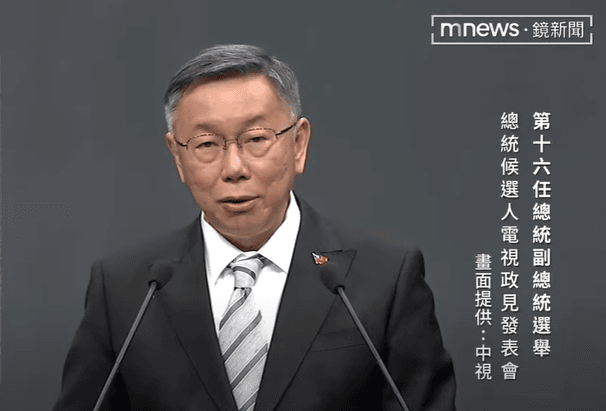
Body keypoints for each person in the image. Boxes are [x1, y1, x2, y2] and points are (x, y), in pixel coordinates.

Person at [53, 44, 456, 411]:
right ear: (177, 156)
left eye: (256, 139)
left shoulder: (384, 278)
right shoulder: (125, 288)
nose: (234, 168)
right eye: (206, 144)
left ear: (298, 144)